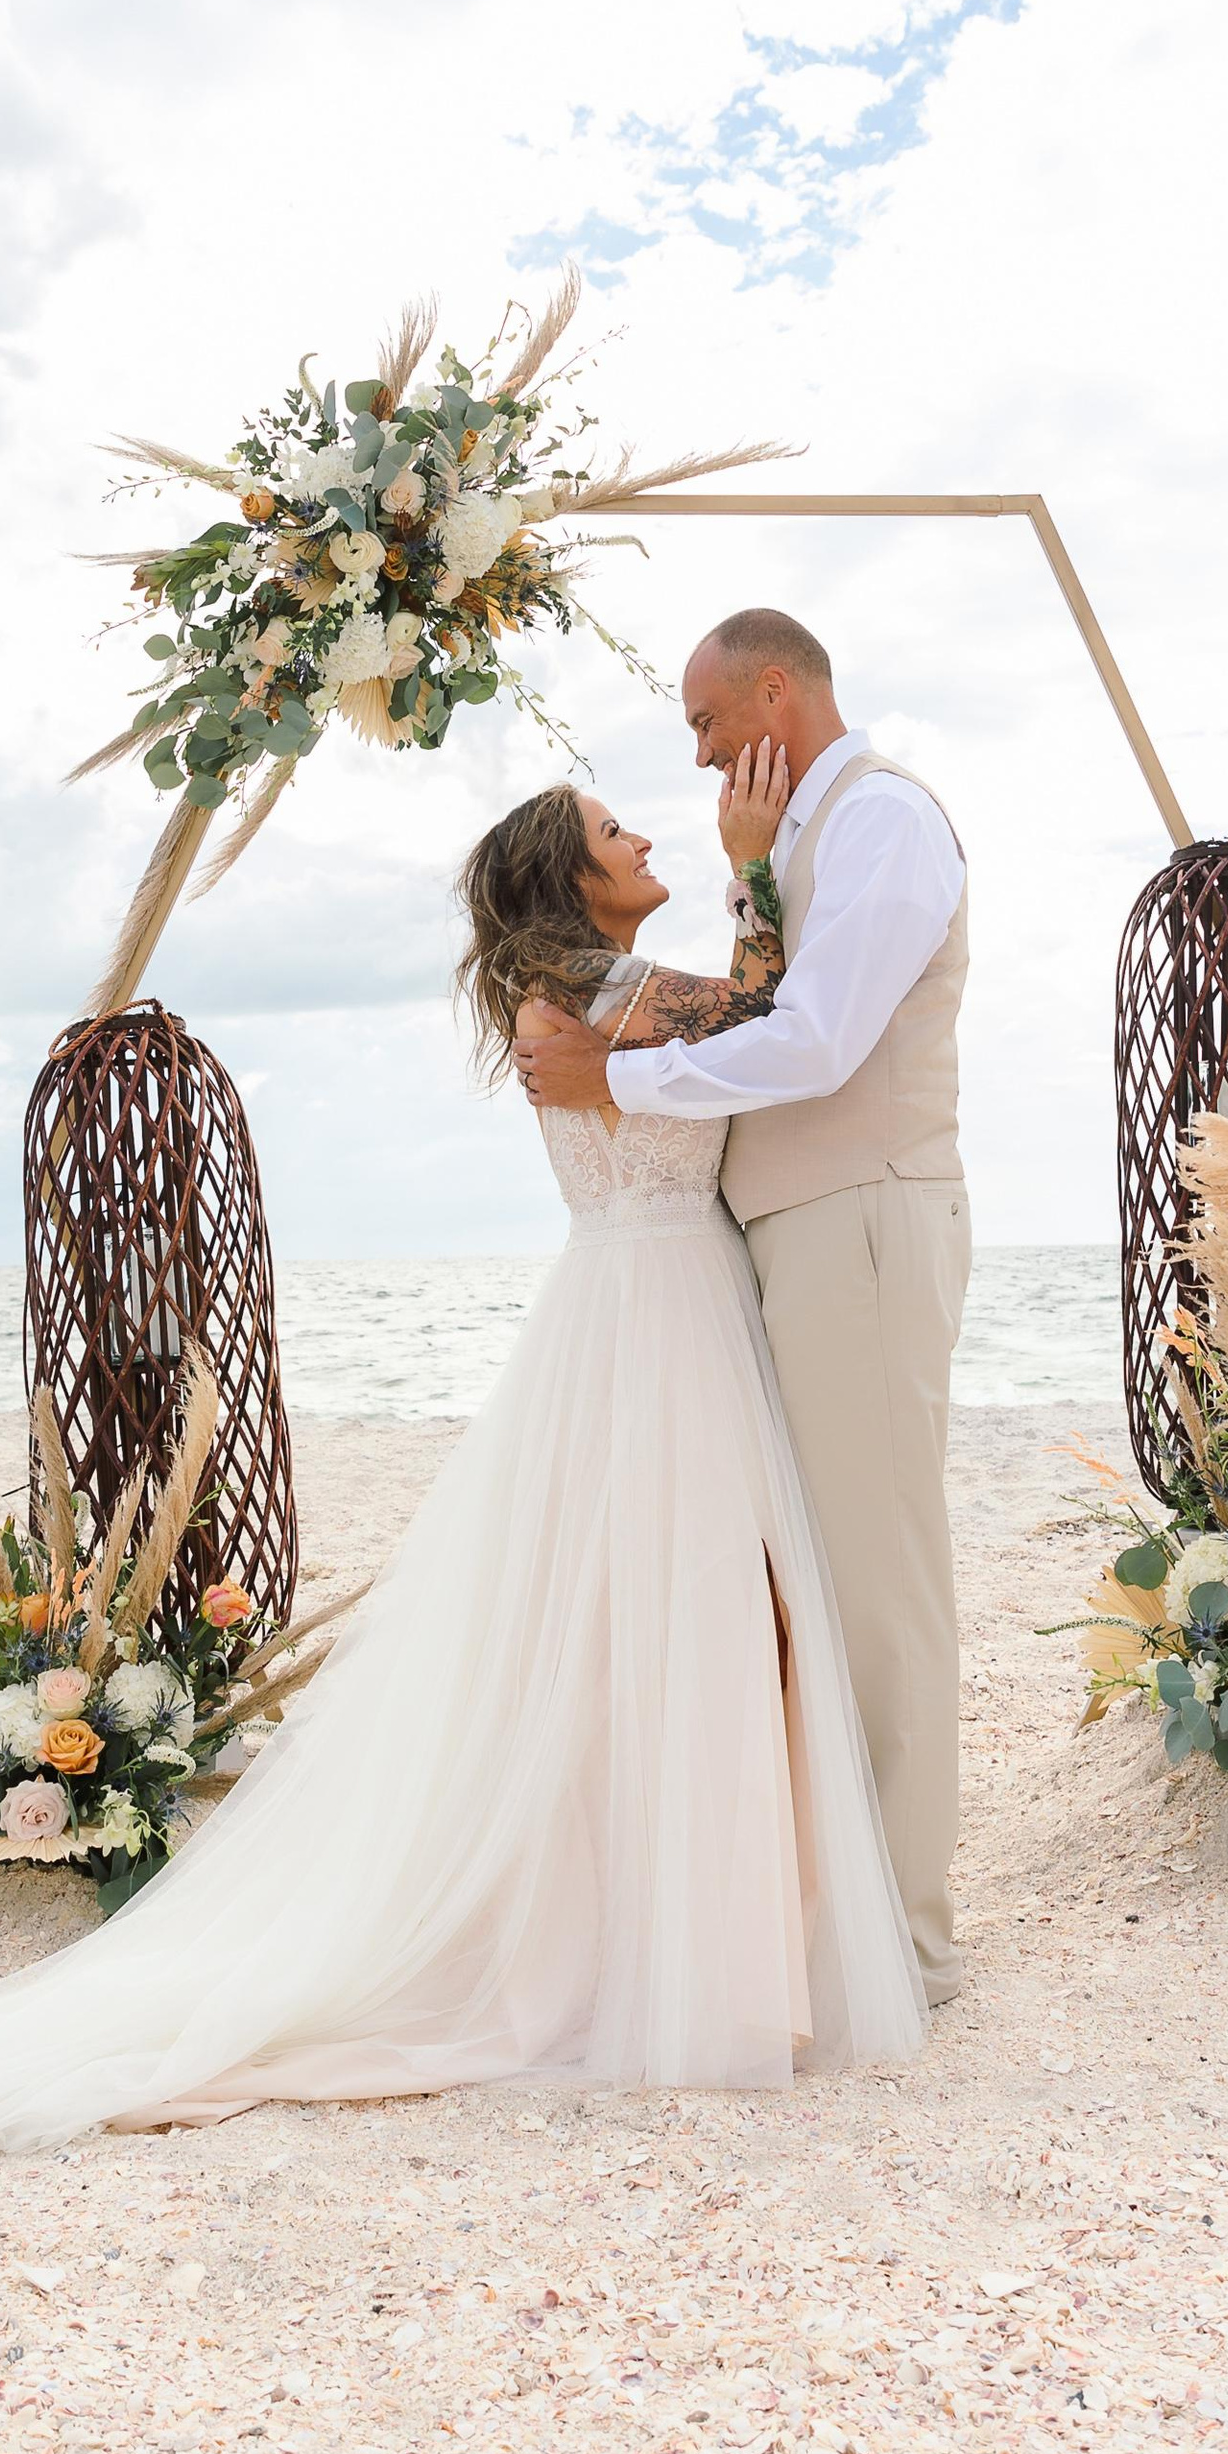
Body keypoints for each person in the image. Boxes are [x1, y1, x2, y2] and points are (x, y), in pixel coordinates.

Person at [0, 756, 925, 2151]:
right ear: (573, 878)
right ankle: (673, 1942)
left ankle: (677, 1923)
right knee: (682, 1613)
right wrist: (754, 867)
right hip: (658, 1313)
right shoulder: (598, 992)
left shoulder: (581, 995)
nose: (647, 834)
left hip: (651, 1303)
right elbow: (765, 1013)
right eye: (618, 831)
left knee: (650, 1618)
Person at [515, 609, 970, 2004]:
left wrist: (620, 1084)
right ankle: (819, 1906)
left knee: (876, 1582)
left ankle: (904, 1937)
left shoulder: (884, 822)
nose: (702, 757)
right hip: (761, 1248)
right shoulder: (784, 849)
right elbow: (755, 1002)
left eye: (709, 724)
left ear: (776, 693)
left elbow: (819, 1040)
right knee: (805, 1586)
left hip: (858, 1221)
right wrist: (755, 873)